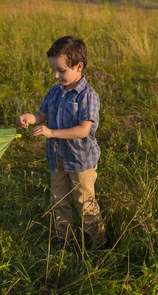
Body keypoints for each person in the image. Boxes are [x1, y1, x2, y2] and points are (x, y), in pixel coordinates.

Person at [17, 36, 107, 248]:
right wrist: (31, 117)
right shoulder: (55, 91)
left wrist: (52, 133)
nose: (57, 75)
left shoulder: (87, 96)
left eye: (61, 70)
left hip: (80, 161)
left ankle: (97, 243)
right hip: (57, 158)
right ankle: (63, 238)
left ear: (79, 66)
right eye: (54, 71)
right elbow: (44, 113)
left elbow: (83, 130)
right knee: (58, 200)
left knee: (85, 203)